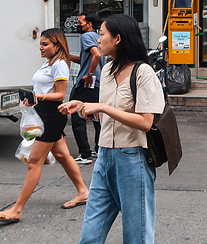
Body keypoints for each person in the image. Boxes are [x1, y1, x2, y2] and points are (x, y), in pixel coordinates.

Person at [59, 14, 166, 244]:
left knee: (136, 236)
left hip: (132, 158)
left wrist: (104, 108)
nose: (98, 39)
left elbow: (146, 122)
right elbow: (104, 114)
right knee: (90, 235)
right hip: (104, 156)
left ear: (117, 38)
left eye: (102, 34)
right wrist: (83, 106)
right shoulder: (107, 71)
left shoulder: (143, 72)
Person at [0, 28, 89, 224]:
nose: (41, 47)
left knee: (34, 162)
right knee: (62, 155)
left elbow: (61, 95)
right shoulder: (49, 63)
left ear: (57, 45)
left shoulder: (60, 64)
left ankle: (17, 209)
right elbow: (44, 89)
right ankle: (83, 192)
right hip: (43, 112)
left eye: (45, 44)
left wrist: (39, 96)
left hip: (51, 116)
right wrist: (33, 98)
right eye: (41, 44)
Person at [69, 13, 103, 165]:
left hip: (86, 84)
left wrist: (89, 74)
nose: (78, 24)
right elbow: (88, 58)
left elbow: (96, 55)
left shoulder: (86, 36)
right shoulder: (97, 37)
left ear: (89, 24)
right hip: (97, 84)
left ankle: (85, 154)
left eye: (80, 21)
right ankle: (98, 150)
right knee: (97, 118)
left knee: (77, 117)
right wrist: (68, 56)